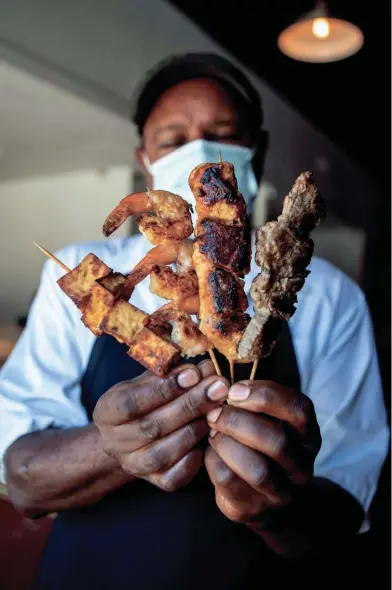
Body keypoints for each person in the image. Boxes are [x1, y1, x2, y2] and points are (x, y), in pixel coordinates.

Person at [0, 53, 388, 589]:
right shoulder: (82, 272)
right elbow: (20, 476)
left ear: (258, 148)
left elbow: (347, 508)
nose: (197, 150)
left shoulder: (330, 295)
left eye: (221, 132)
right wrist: (113, 448)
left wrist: (272, 506)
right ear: (145, 157)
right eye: (173, 138)